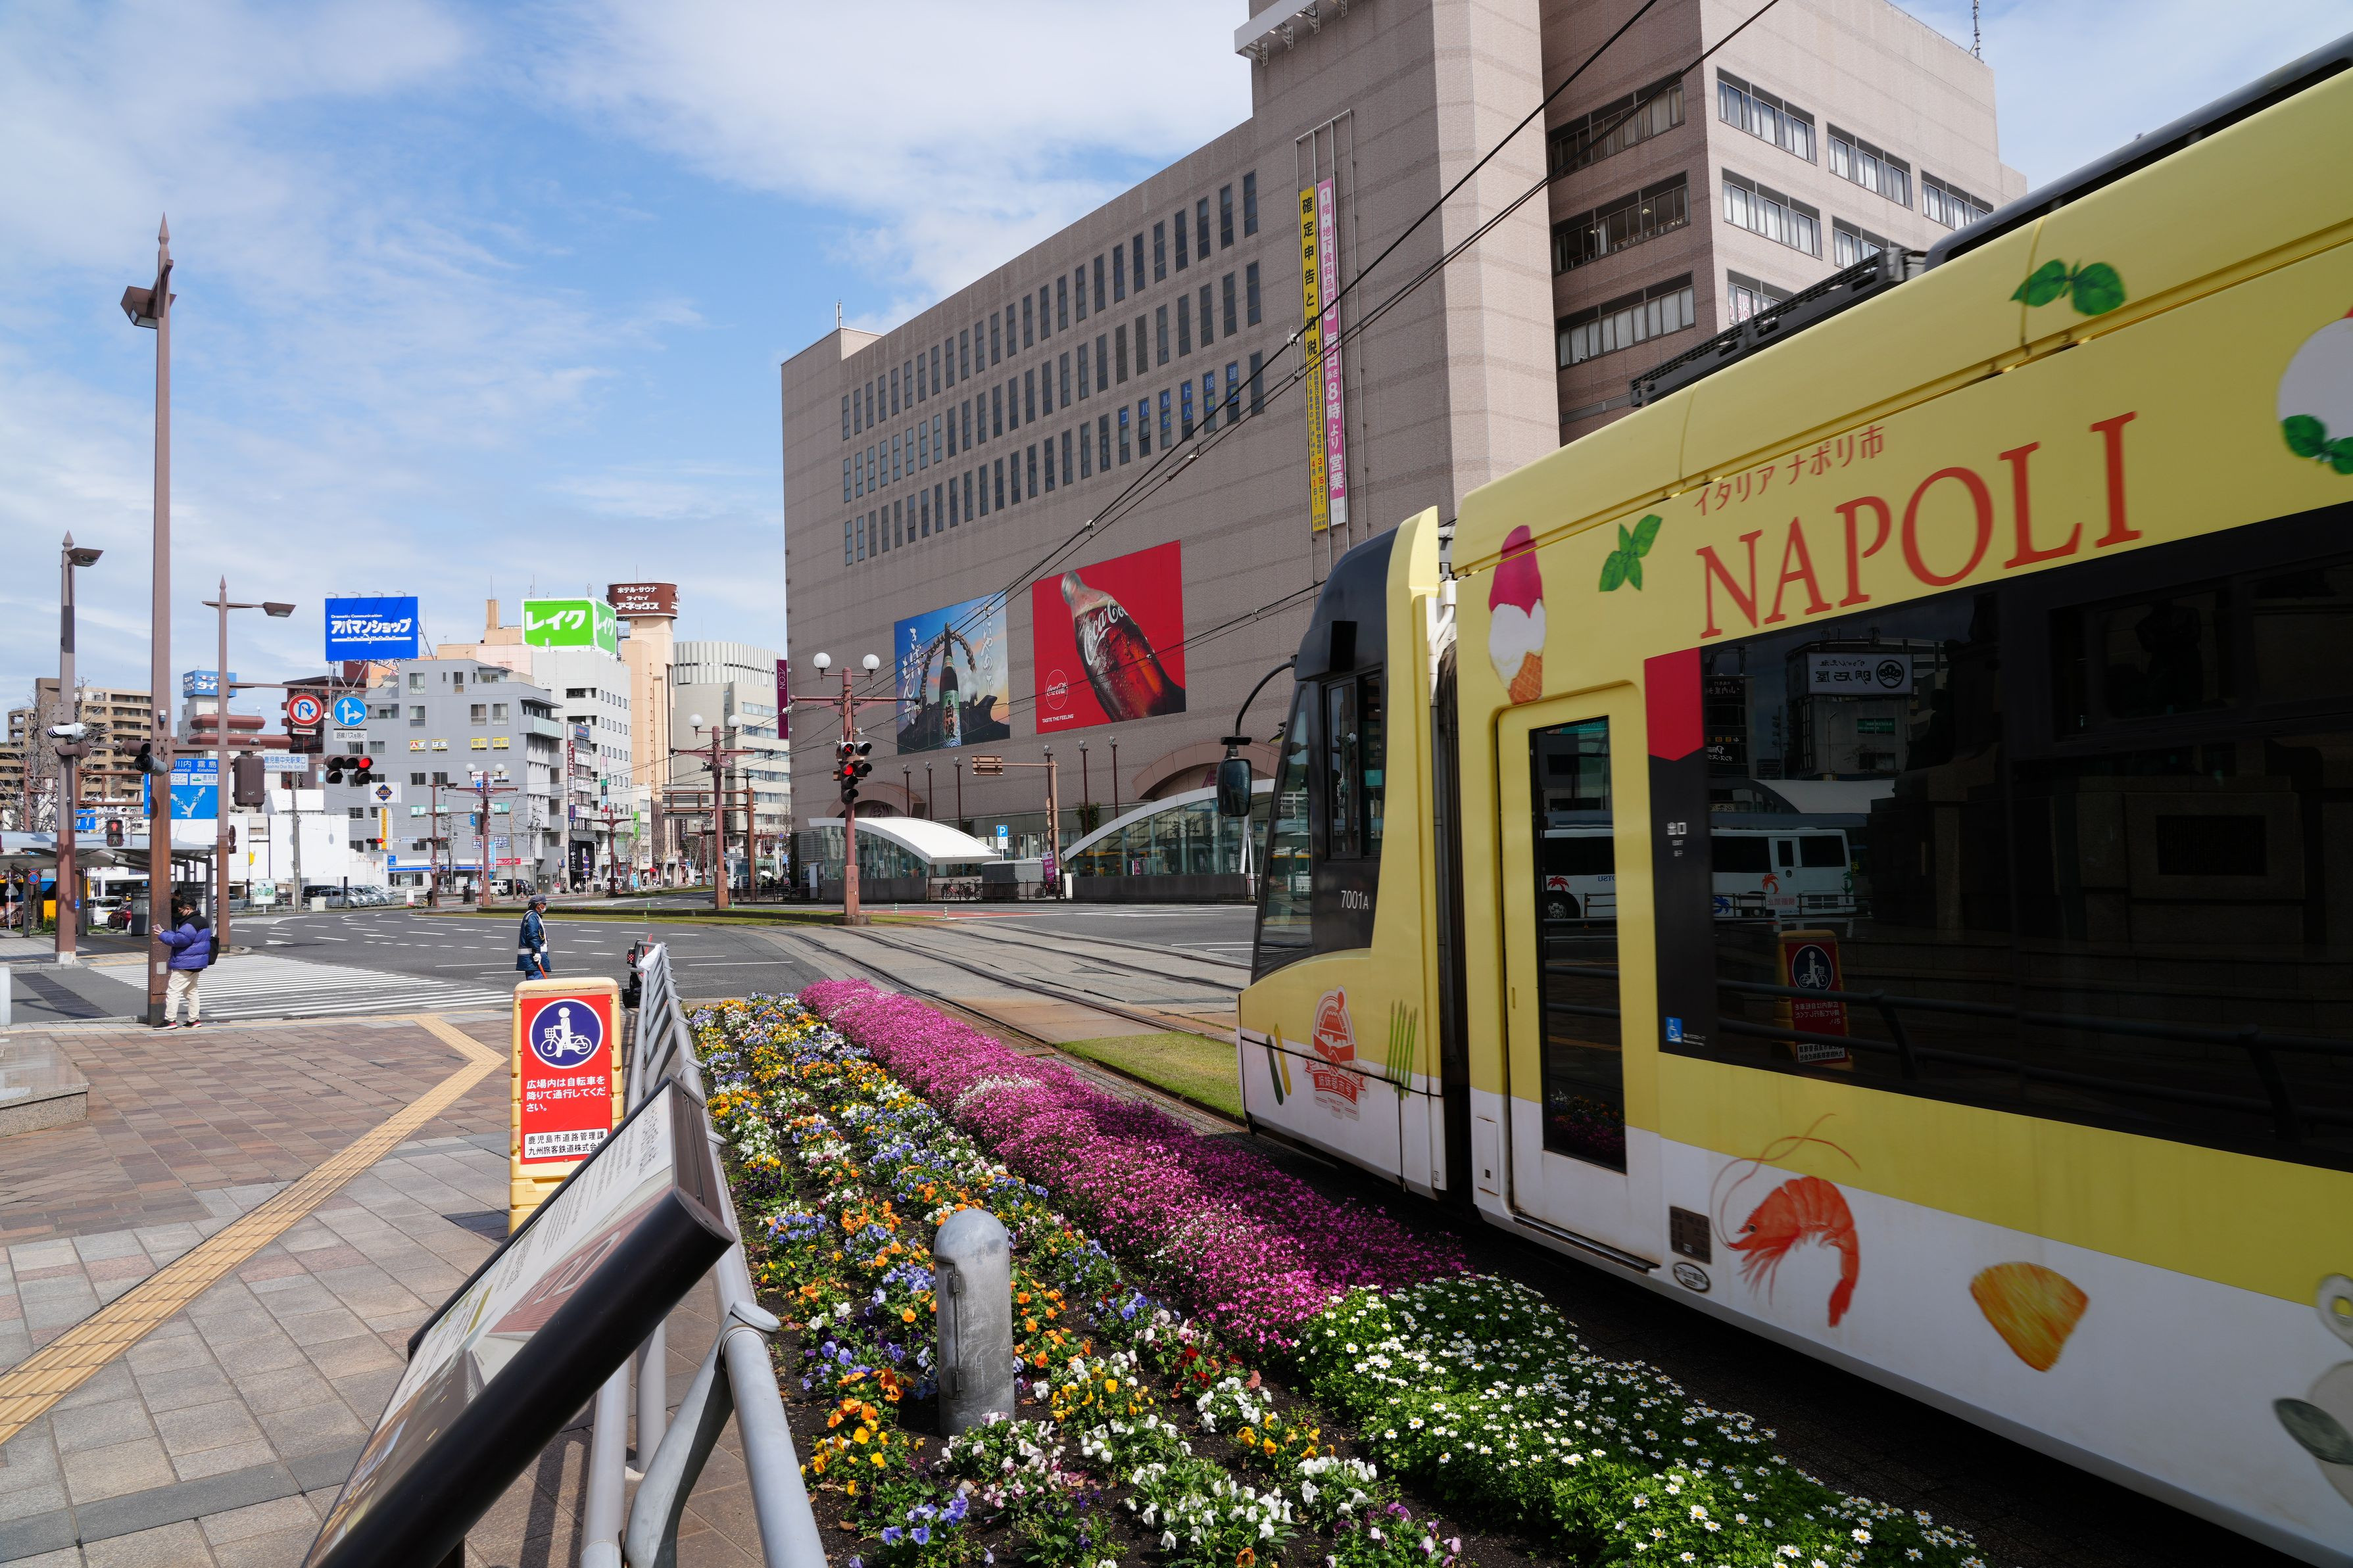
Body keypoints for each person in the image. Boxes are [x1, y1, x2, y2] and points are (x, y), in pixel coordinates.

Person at [156, 895, 212, 1028]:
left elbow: (179, 940)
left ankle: (170, 1020)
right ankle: (194, 1020)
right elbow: (183, 937)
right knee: (191, 992)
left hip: (186, 962)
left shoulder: (191, 923)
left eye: (180, 910)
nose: (179, 912)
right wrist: (166, 932)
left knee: (173, 991)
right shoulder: (201, 921)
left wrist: (162, 935)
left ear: (188, 909)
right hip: (196, 962)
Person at [516, 893, 551, 978]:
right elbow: (533, 936)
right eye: (544, 904)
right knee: (537, 981)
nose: (545, 906)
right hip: (533, 957)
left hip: (532, 956)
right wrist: (538, 952)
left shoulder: (531, 916)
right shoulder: (533, 917)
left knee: (536, 980)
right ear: (539, 905)